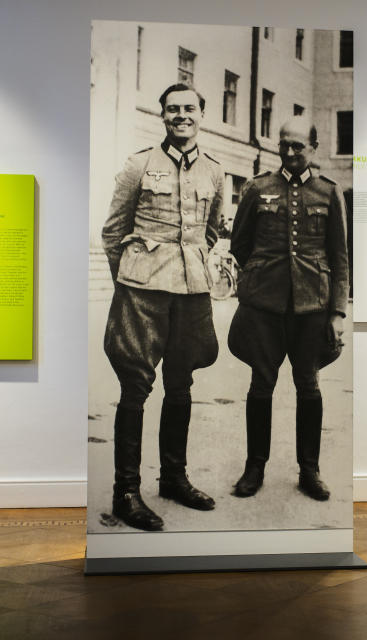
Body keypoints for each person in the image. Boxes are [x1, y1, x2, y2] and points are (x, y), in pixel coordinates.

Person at [101, 83, 224, 532]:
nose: (181, 116)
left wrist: (190, 265)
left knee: (181, 383)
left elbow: (211, 230)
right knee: (135, 386)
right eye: (172, 110)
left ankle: (173, 477)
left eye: (189, 108)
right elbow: (113, 231)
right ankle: (126, 492)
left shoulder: (214, 171)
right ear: (163, 117)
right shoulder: (138, 165)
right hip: (143, 291)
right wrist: (134, 273)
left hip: (191, 292)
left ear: (202, 114)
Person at [228, 116, 349, 502]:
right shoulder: (258, 188)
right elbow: (240, 244)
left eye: (299, 146)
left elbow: (340, 257)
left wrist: (337, 312)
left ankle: (309, 469)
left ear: (313, 148)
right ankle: (254, 466)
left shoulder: (329, 193)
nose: (291, 152)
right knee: (261, 385)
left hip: (312, 304)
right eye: (285, 145)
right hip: (265, 304)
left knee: (308, 386)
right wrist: (259, 279)